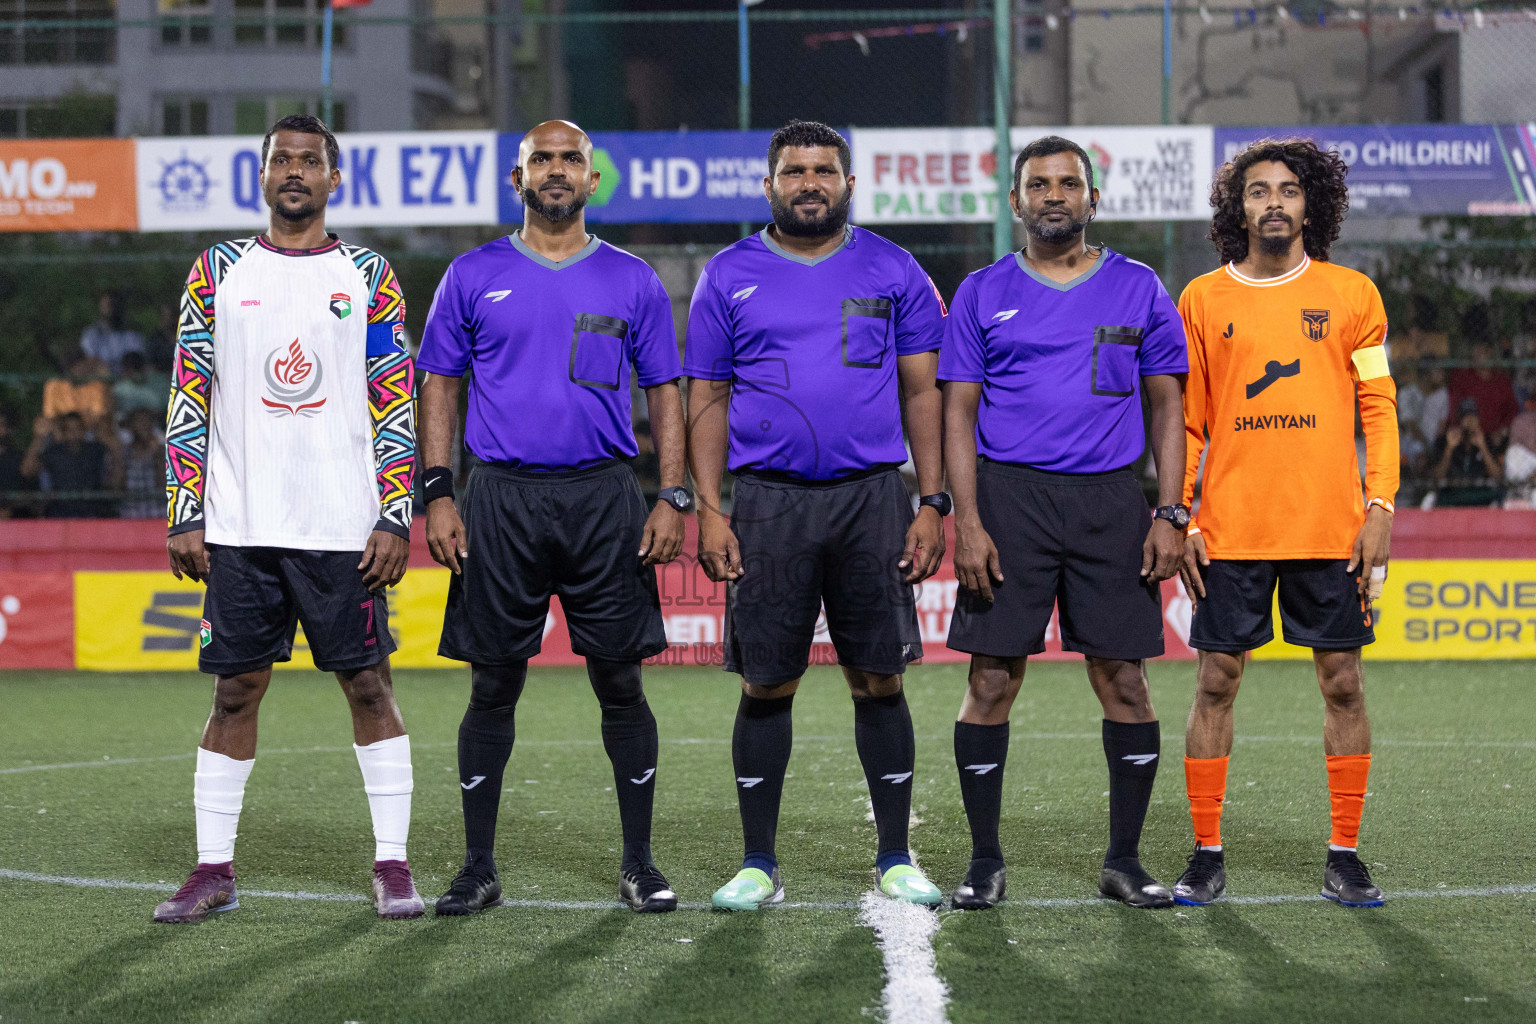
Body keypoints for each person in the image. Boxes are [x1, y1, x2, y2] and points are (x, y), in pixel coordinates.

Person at [153, 114, 423, 924]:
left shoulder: (369, 272)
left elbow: (394, 395)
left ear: (334, 179)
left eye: (310, 161)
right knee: (235, 691)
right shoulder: (218, 270)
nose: (295, 172)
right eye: (282, 160)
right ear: (262, 175)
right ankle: (212, 870)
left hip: (345, 526)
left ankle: (392, 865)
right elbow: (188, 390)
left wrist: (395, 513)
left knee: (369, 685)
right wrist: (184, 511)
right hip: (240, 525)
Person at [417, 119, 688, 916]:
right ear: (520, 178)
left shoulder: (632, 279)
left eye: (573, 158)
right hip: (498, 497)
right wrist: (437, 492)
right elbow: (439, 383)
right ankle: (477, 867)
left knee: (620, 681)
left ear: (593, 179)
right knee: (493, 684)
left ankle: (638, 861)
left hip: (604, 497)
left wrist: (672, 495)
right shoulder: (471, 274)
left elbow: (665, 390)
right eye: (544, 159)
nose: (559, 170)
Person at [687, 120, 949, 911]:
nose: (810, 182)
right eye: (795, 170)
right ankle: (758, 862)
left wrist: (932, 501)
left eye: (824, 170)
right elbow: (705, 397)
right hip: (767, 503)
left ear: (847, 184)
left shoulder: (894, 269)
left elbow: (921, 393)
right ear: (769, 185)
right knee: (768, 683)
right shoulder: (727, 273)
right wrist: (709, 510)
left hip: (872, 496)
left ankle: (895, 856)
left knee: (880, 678)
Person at [940, 135, 1189, 911]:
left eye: (1069, 184)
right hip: (1009, 501)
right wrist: (967, 520)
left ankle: (1123, 860)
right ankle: (984, 861)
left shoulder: (1140, 287)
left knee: (1125, 680)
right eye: (1039, 185)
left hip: (1113, 503)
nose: (1054, 196)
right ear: (1016, 202)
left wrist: (1170, 511)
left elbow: (1169, 406)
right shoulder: (982, 291)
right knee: (990, 679)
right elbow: (957, 411)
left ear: (1092, 200)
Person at [1175, 138, 1398, 909]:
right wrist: (1183, 515)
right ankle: (1206, 853)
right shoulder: (1201, 299)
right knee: (1216, 681)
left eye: (1289, 190)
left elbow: (1380, 408)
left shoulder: (1354, 295)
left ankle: (1346, 854)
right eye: (1259, 191)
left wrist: (1381, 507)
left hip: (1330, 532)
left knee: (1343, 683)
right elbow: (1190, 422)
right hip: (1229, 532)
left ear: (1313, 205)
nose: (1274, 202)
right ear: (1239, 207)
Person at [21, 412, 119, 518]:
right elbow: (27, 470)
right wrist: (38, 438)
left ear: (84, 430)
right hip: (60, 515)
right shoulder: (54, 452)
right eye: (69, 429)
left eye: (78, 428)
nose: (74, 433)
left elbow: (116, 461)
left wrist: (102, 430)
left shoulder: (96, 449)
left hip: (93, 515)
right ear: (63, 433)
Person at [1430, 398, 1502, 507]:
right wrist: (1449, 448)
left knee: (1497, 498)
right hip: (1453, 492)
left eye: (1473, 416)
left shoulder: (1486, 440)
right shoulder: (1445, 440)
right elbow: (1437, 477)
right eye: (1466, 416)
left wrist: (1482, 447)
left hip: (1480, 493)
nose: (1470, 421)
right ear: (1459, 420)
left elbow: (1497, 475)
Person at [1448, 342, 1517, 445]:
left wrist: (1502, 431)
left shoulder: (1503, 381)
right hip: (1467, 436)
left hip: (1494, 437)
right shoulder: (1462, 378)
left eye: (1484, 351)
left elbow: (1512, 411)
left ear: (1491, 353)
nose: (1480, 355)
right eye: (1476, 352)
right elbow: (1453, 407)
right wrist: (1458, 429)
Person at [80, 291, 146, 374]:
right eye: (106, 305)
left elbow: (137, 362)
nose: (110, 309)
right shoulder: (91, 334)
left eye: (113, 305)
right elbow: (91, 361)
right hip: (99, 381)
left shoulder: (132, 335)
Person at [41, 350, 113, 423]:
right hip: (63, 429)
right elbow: (50, 417)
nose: (84, 369)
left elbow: (98, 419)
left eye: (85, 365)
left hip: (89, 431)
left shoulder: (98, 387)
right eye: (76, 367)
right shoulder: (53, 386)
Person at [120, 407, 165, 519]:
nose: (144, 426)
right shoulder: (123, 452)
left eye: (147, 422)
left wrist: (157, 456)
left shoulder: (161, 451)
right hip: (130, 515)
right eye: (139, 422)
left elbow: (164, 485)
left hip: (157, 514)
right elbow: (116, 486)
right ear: (131, 427)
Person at [112, 351, 166, 420]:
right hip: (128, 425)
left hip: (158, 423)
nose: (136, 373)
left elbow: (164, 409)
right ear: (126, 369)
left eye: (138, 368)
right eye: (132, 369)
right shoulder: (119, 388)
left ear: (145, 367)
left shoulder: (159, 381)